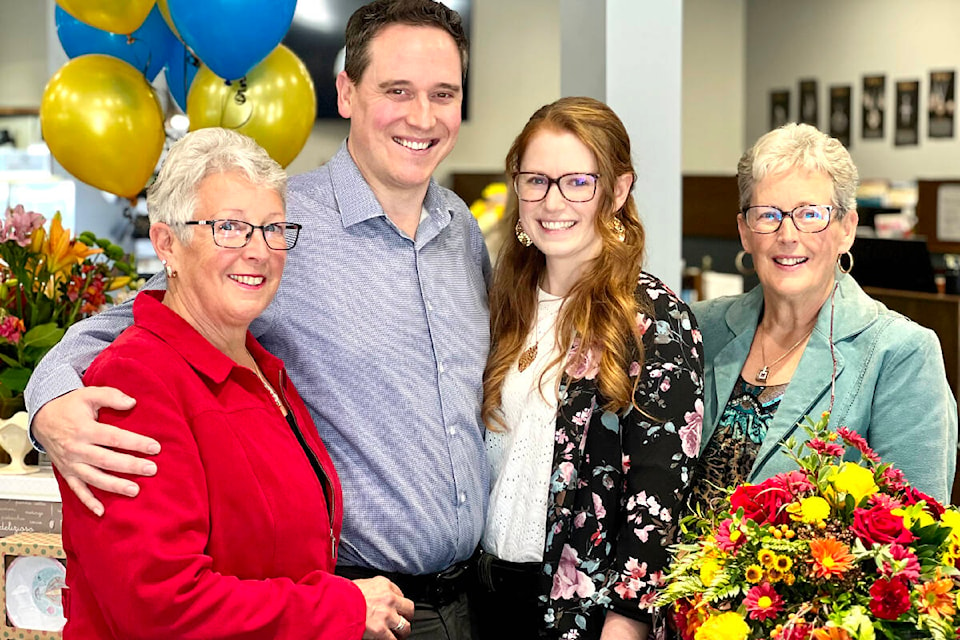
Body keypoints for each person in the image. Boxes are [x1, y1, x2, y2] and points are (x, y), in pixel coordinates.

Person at [26, 2, 488, 638]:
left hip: (474, 598)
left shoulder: (461, 230)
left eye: (444, 94)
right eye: (397, 90)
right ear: (347, 93)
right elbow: (133, 323)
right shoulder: (272, 225)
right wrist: (49, 403)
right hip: (358, 606)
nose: (422, 116)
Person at [55, 127, 413, 639]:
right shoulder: (135, 382)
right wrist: (343, 608)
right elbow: (160, 609)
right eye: (229, 227)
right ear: (167, 245)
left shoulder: (262, 368)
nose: (259, 250)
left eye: (273, 228)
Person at [474, 97, 704, 640]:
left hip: (583, 616)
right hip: (481, 597)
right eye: (536, 180)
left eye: (578, 181)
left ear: (618, 190)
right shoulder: (506, 303)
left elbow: (660, 500)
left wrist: (627, 623)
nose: (552, 201)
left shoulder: (654, 321)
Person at [687, 123, 957, 515]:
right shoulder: (699, 328)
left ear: (847, 229)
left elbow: (917, 537)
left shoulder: (900, 354)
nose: (788, 234)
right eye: (767, 215)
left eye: (811, 214)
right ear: (744, 232)